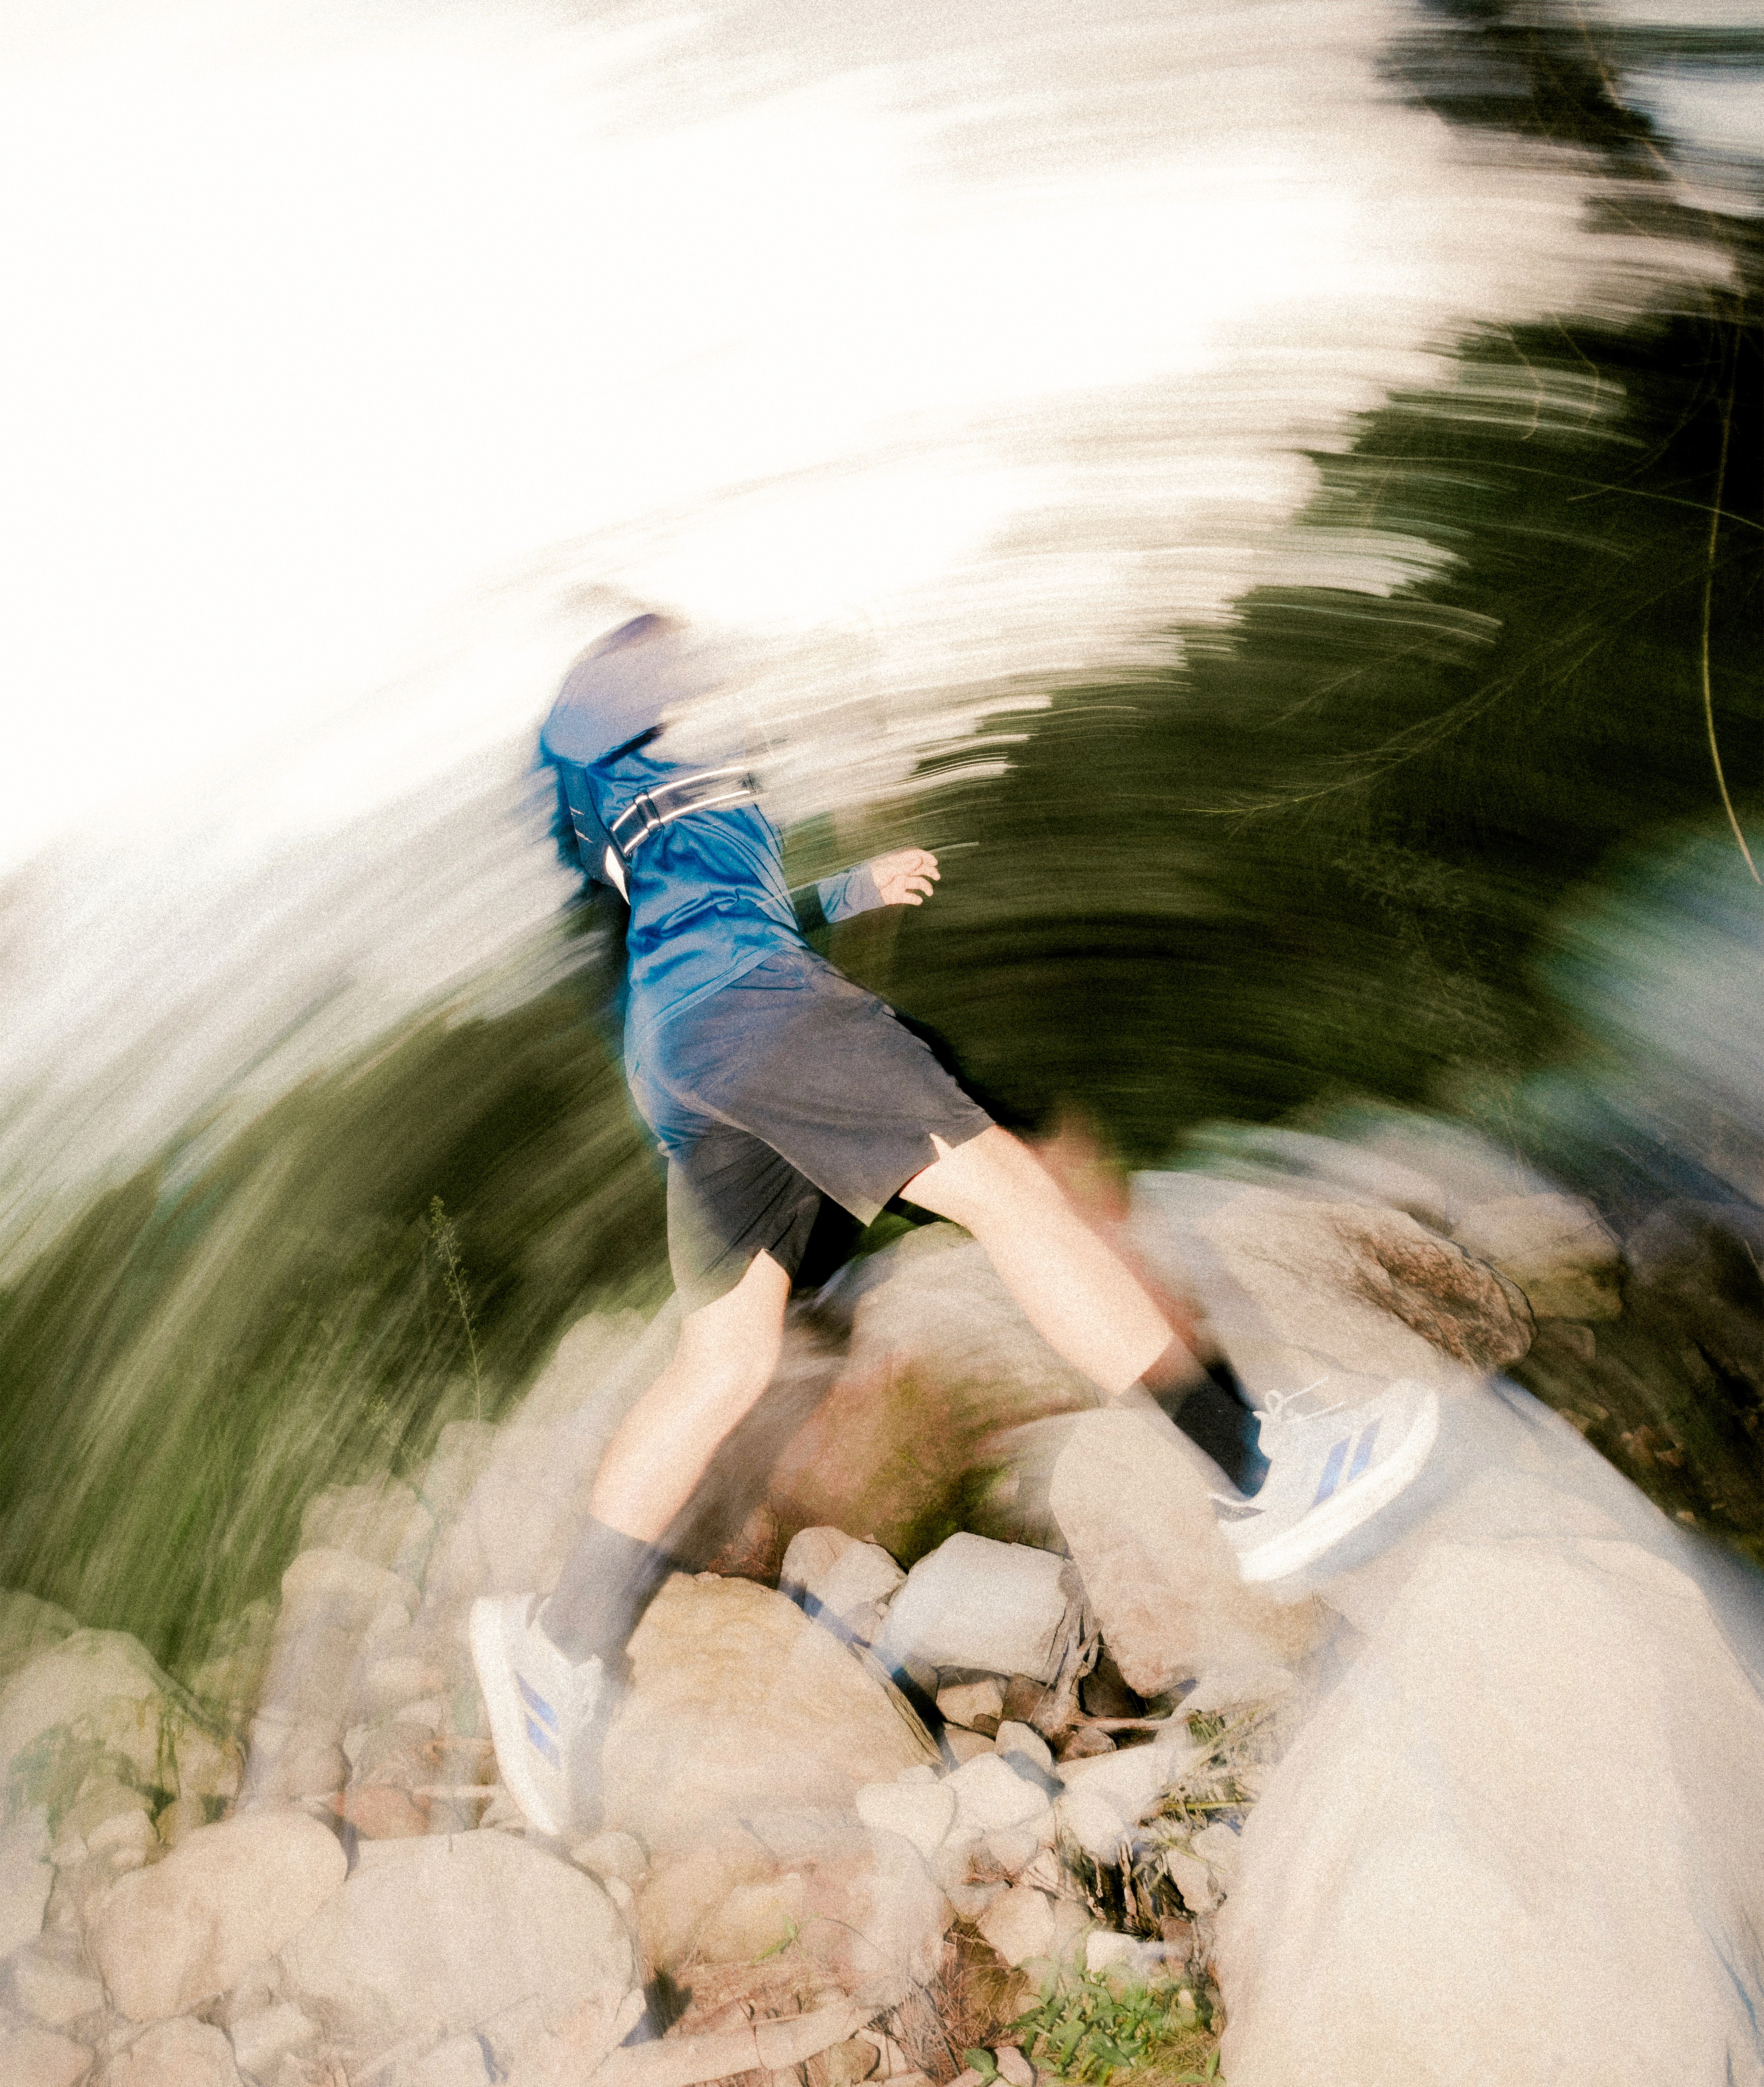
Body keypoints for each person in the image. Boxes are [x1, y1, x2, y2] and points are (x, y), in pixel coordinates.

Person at [471, 608, 1437, 1835]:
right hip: (756, 1013)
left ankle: (558, 1645)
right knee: (1014, 1197)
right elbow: (622, 715)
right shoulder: (624, 707)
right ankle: (1261, 1473)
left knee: (728, 1359)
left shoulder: (673, 796)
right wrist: (702, 656)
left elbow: (727, 888)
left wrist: (844, 887)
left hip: (688, 1042)